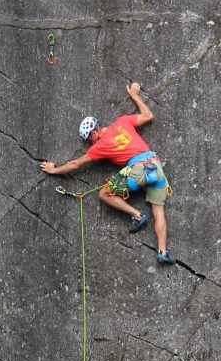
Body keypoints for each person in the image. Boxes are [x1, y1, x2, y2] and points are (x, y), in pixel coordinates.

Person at [40, 82, 176, 265]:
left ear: (93, 133)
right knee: (158, 212)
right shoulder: (122, 122)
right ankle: (163, 252)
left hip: (139, 169)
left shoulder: (100, 146)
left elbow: (75, 164)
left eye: (89, 139)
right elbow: (148, 116)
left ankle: (137, 215)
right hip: (156, 167)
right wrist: (135, 95)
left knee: (104, 193)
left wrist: (54, 170)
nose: (90, 143)